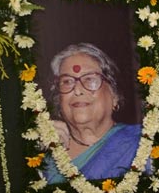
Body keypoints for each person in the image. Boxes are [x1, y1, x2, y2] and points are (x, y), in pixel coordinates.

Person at [43, 42, 143, 183]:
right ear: (59, 99)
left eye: (90, 79)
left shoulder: (140, 143)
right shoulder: (45, 149)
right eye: (67, 82)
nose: (77, 90)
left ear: (114, 95)